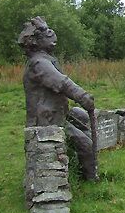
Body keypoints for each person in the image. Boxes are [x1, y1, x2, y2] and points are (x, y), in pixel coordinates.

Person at [19, 16, 99, 181]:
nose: (52, 36)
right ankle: (91, 180)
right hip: (47, 120)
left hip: (56, 114)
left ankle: (81, 169)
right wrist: (83, 97)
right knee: (85, 144)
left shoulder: (44, 60)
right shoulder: (39, 63)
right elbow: (62, 83)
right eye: (47, 33)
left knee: (81, 119)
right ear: (36, 42)